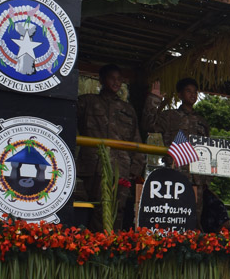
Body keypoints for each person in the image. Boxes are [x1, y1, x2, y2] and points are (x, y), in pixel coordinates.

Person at [77, 64, 145, 230]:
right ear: (101, 80)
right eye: (111, 78)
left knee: (118, 210)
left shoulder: (128, 109)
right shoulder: (87, 102)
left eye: (119, 79)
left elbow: (136, 138)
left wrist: (135, 168)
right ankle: (95, 244)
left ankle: (113, 244)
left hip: (121, 169)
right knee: (95, 209)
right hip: (94, 167)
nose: (116, 82)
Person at [143, 77, 213, 214]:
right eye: (188, 91)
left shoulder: (202, 121)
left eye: (195, 92)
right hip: (175, 175)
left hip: (198, 179)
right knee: (175, 215)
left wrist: (207, 180)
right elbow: (148, 125)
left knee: (194, 217)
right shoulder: (170, 116)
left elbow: (208, 150)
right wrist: (154, 99)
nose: (192, 95)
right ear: (180, 95)